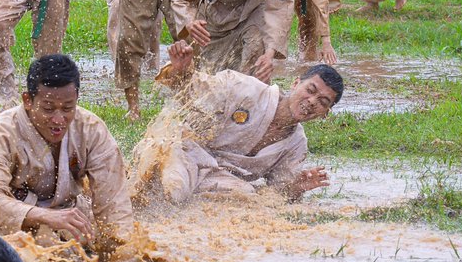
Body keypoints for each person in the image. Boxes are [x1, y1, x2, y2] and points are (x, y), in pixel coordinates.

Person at [0, 54, 135, 253]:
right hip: (12, 219)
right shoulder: (1, 132)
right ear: (28, 100)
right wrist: (44, 216)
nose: (59, 120)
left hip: (69, 215)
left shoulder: (92, 130)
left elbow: (114, 203)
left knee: (89, 250)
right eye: (48, 108)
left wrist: (121, 250)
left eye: (68, 108)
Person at [133, 39, 341, 204]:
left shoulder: (296, 144)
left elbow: (278, 189)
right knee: (175, 190)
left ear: (325, 113)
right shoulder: (245, 89)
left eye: (322, 102)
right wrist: (181, 70)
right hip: (185, 153)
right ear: (296, 83)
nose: (311, 101)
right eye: (310, 90)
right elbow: (196, 90)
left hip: (219, 177)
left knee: (248, 198)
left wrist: (297, 187)